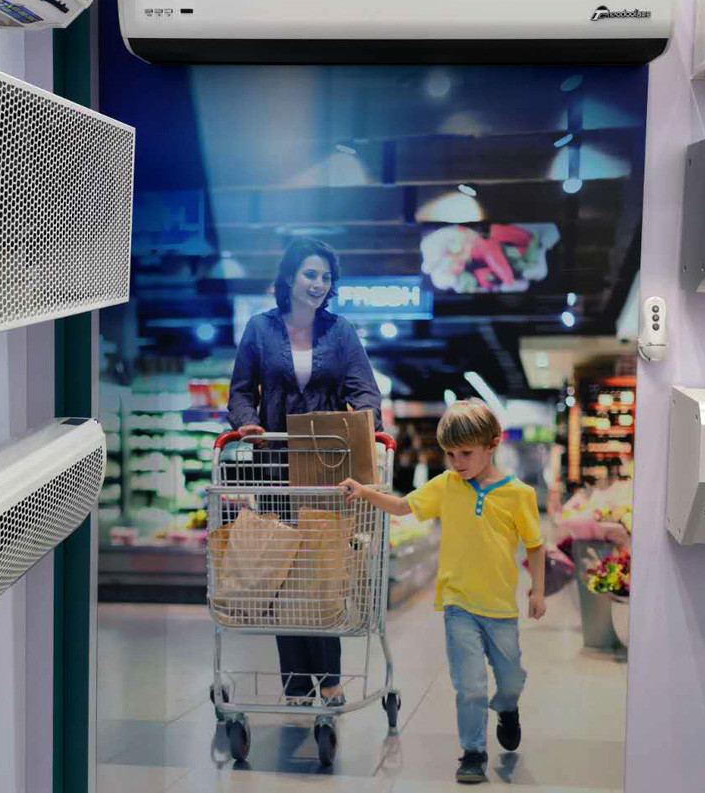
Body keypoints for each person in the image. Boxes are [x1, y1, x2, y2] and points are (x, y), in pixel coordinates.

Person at [340, 399, 546, 784]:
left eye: (465, 453)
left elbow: (535, 545)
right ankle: (473, 753)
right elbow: (402, 507)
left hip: (501, 608)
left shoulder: (519, 494)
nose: (456, 462)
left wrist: (538, 590)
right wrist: (365, 491)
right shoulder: (446, 485)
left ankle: (508, 708)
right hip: (458, 604)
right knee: (469, 685)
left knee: (509, 680)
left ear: (492, 444)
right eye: (450, 454)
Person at [227, 238, 382, 706]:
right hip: (275, 463)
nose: (318, 284)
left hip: (326, 466)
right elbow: (240, 391)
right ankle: (296, 683)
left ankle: (329, 679)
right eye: (310, 274)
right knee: (283, 568)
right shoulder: (259, 329)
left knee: (321, 566)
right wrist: (246, 422)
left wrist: (365, 425)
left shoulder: (341, 332)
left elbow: (365, 390)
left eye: (325, 277)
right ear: (290, 277)